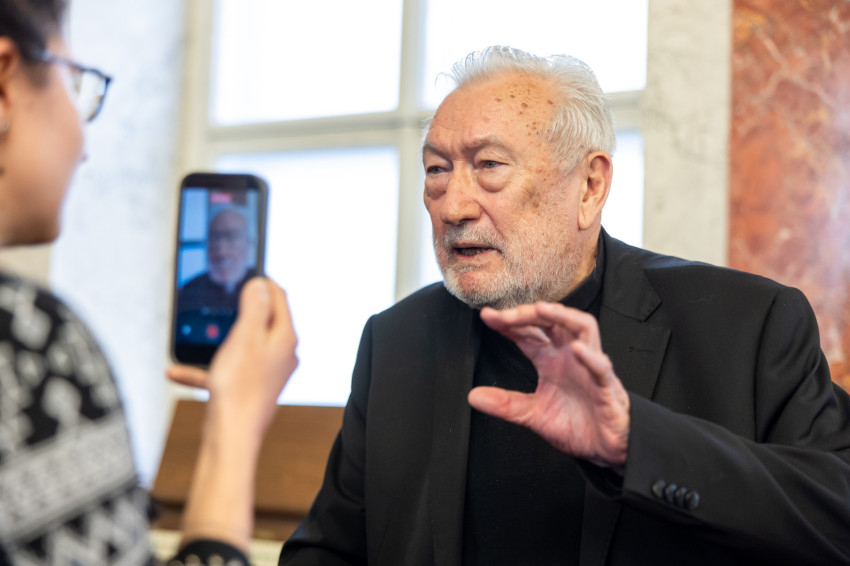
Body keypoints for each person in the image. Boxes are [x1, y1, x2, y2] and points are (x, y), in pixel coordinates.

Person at [279, 46, 850, 565]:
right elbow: (328, 550)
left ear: (590, 186)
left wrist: (638, 444)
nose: (453, 206)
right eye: (437, 170)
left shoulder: (747, 325)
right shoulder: (396, 341)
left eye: (489, 166)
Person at [0, 1, 297, 564]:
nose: (83, 144)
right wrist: (236, 421)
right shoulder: (30, 341)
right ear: (4, 84)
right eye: (76, 82)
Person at [179, 207, 256, 315]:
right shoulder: (190, 290)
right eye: (215, 237)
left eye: (231, 237)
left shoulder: (262, 286)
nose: (221, 251)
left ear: (248, 243)